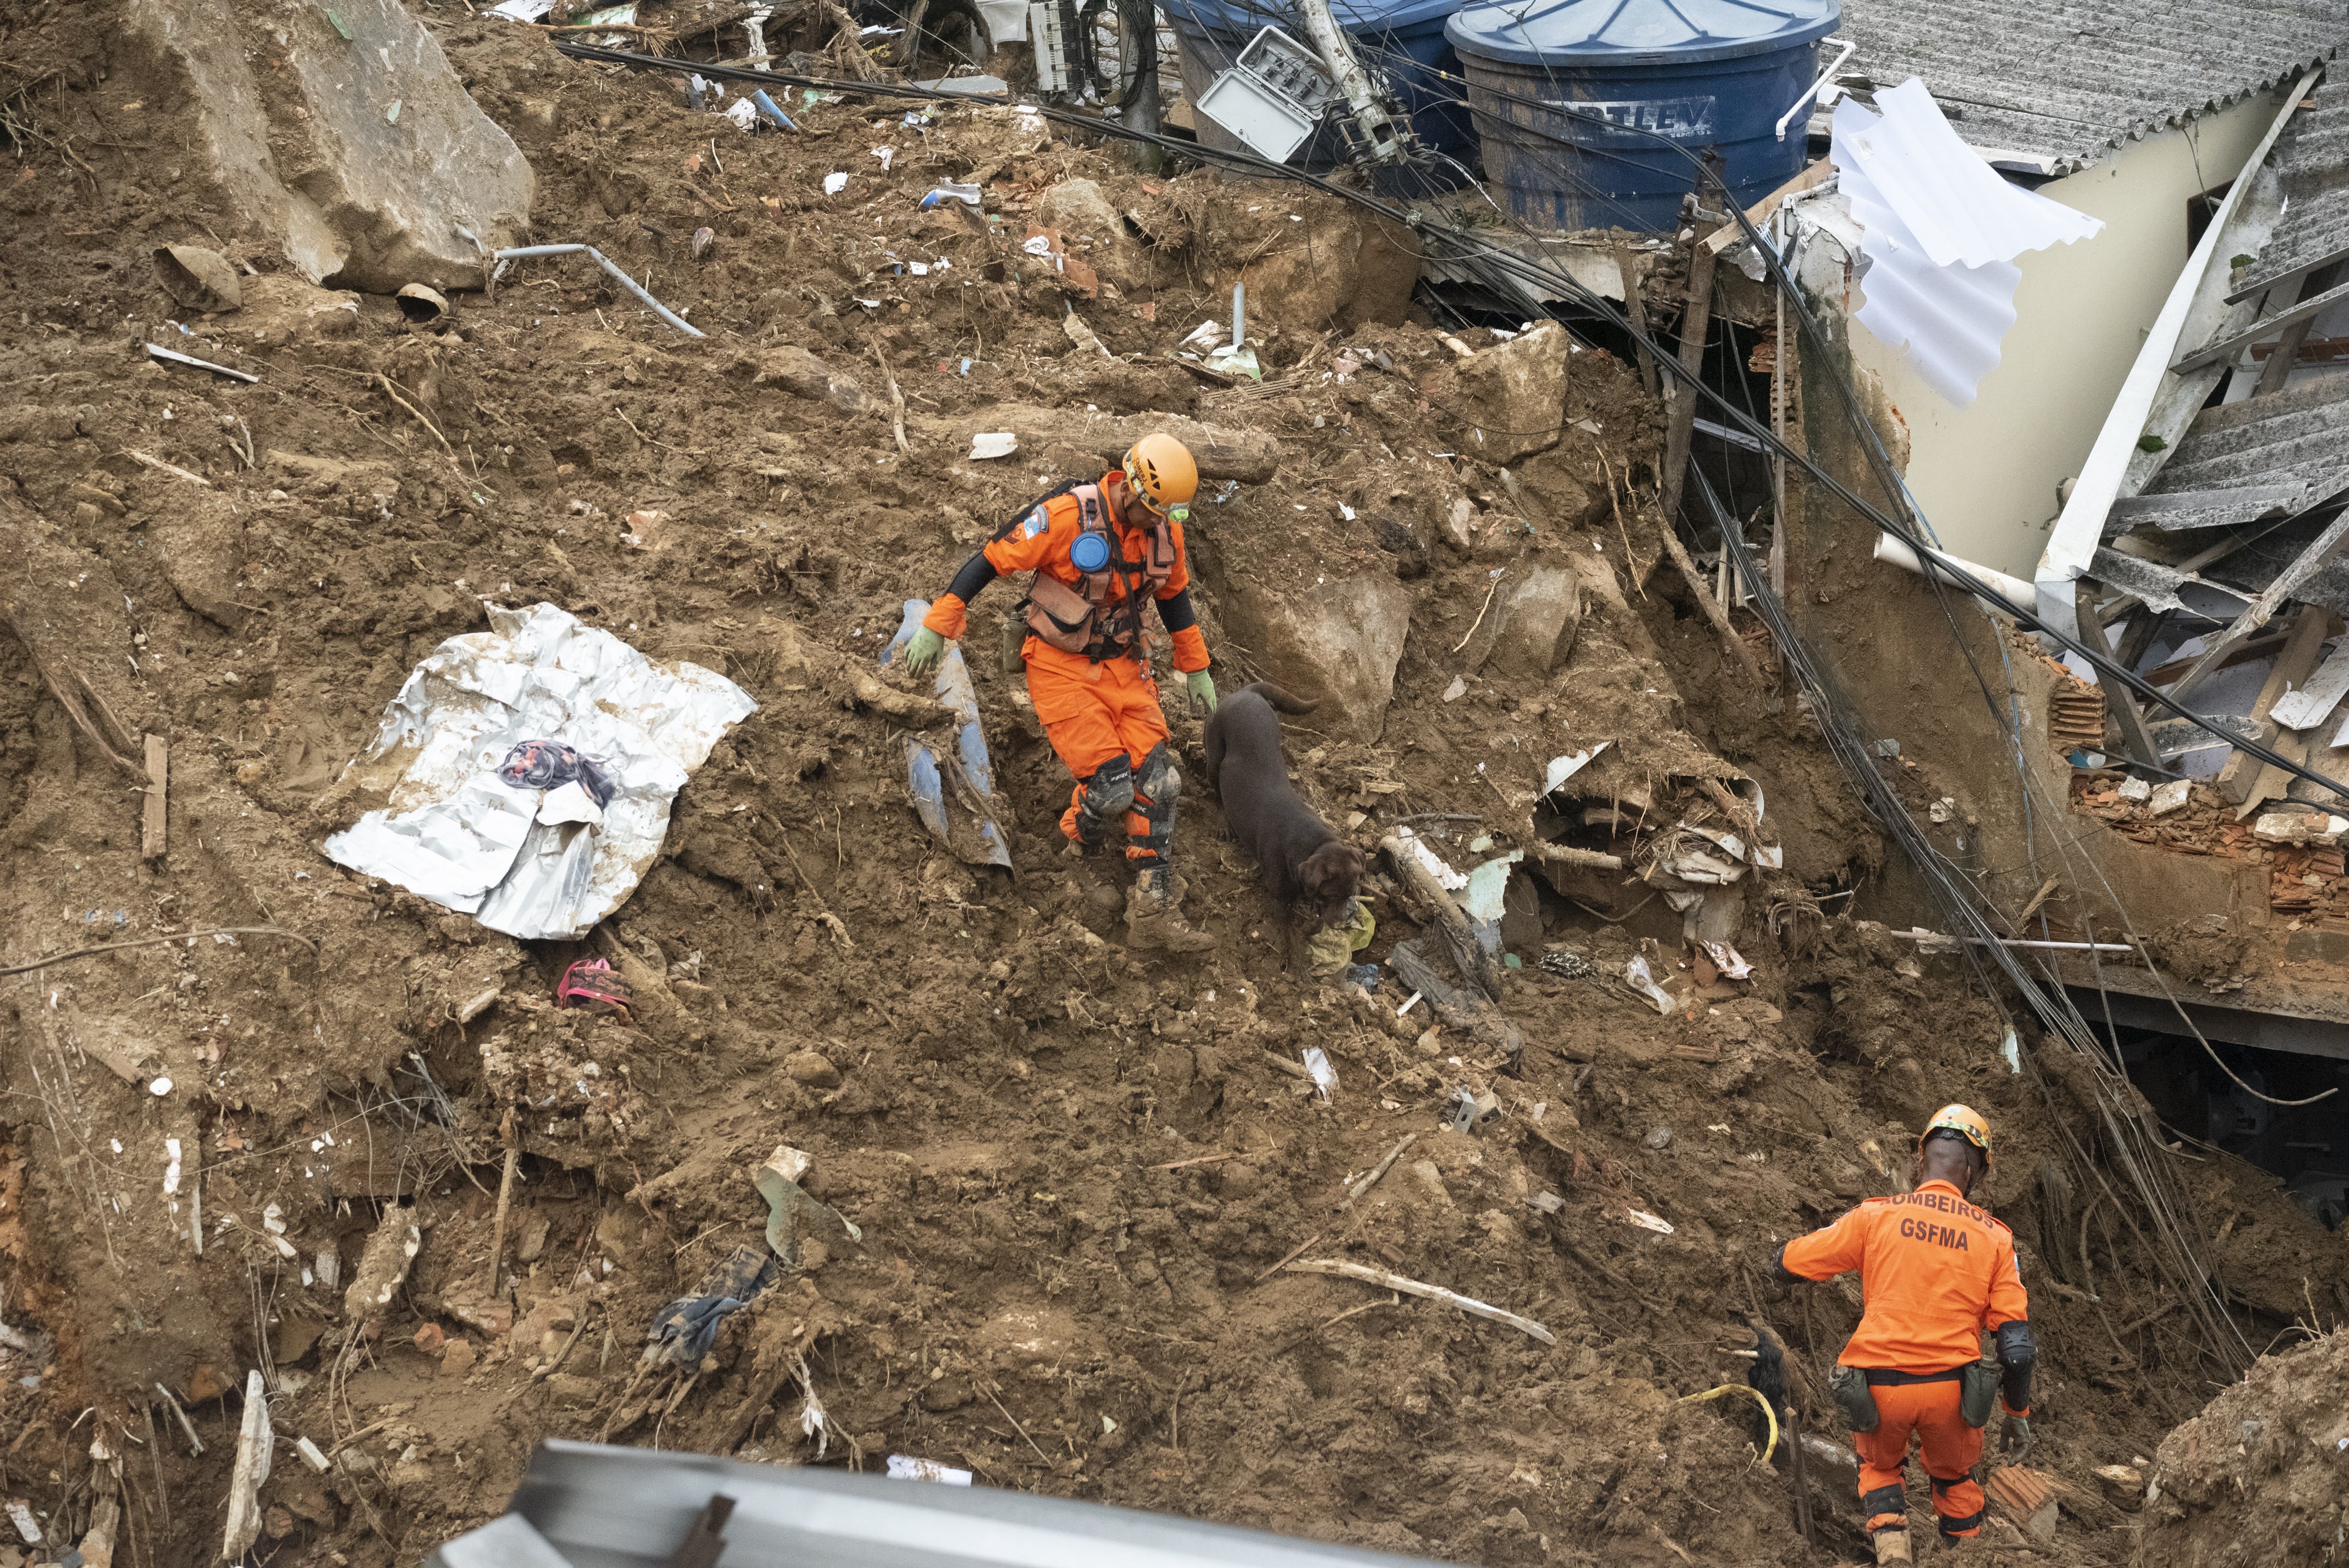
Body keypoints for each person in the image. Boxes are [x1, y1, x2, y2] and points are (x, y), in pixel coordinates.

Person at [903, 434, 1219, 951]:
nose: (1159, 523)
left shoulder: (1165, 532)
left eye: (1169, 517)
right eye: (1153, 511)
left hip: (1125, 669)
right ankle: (1079, 844)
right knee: (1114, 788)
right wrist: (940, 623)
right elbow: (990, 560)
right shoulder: (1066, 517)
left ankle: (1153, 912)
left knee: (1161, 783)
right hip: (1060, 667)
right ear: (1132, 488)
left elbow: (1175, 597)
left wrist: (1196, 665)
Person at [1773, 1105, 2035, 1564]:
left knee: (1878, 1469)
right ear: (1973, 1173)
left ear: (1921, 1161)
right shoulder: (1995, 1239)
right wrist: (2017, 1412)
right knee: (1955, 1480)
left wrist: (1772, 1264)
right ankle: (1964, 1555)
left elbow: (1800, 1260)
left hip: (1879, 1387)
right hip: (1951, 1393)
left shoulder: (1875, 1217)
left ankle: (1894, 1554)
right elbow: (2015, 1350)